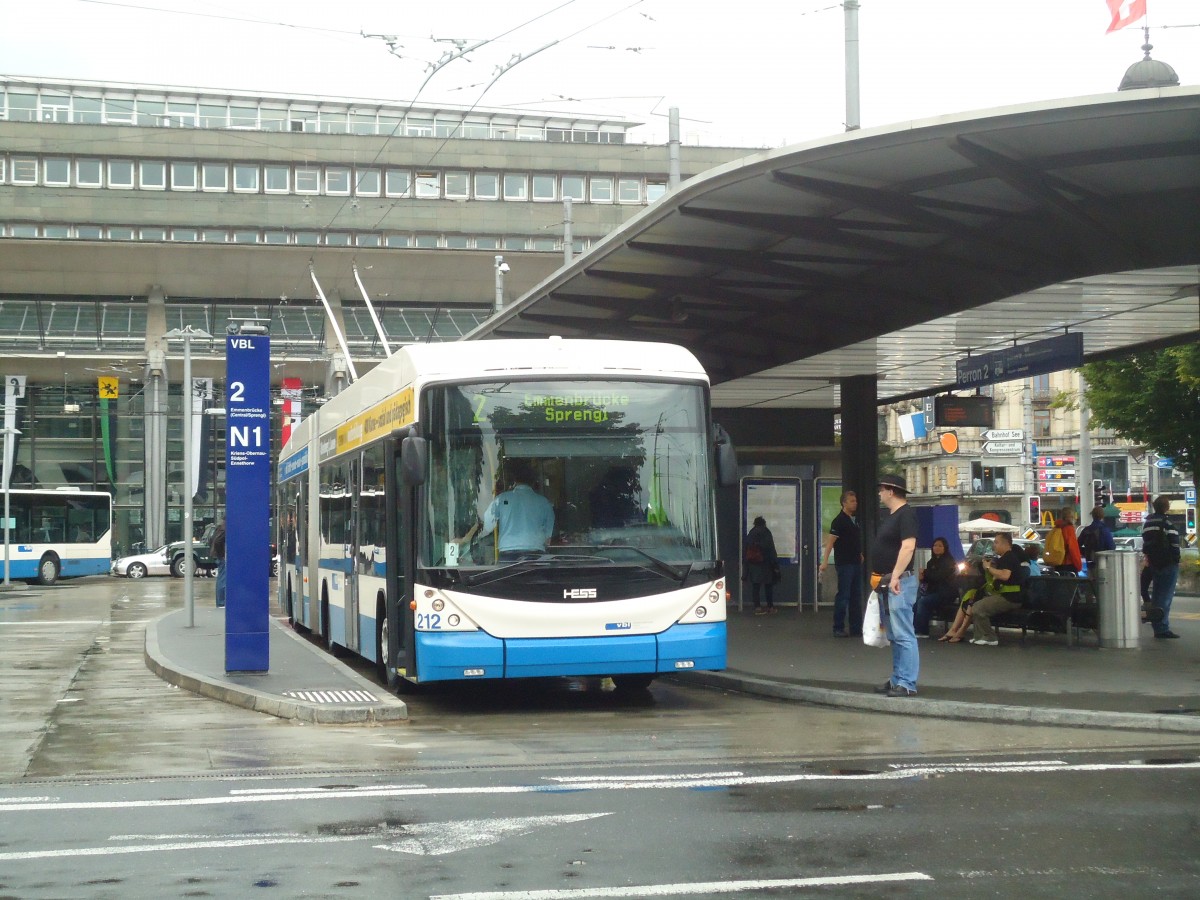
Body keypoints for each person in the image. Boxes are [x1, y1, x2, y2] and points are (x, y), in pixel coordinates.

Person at [870, 473, 919, 698]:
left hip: (899, 581)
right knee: (895, 634)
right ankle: (898, 678)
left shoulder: (905, 514)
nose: (879, 493)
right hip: (889, 581)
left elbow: (908, 547)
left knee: (903, 633)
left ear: (891, 491)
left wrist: (896, 576)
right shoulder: (892, 515)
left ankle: (907, 682)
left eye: (881, 489)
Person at [481, 460, 555, 561]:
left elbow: (488, 526)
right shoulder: (544, 503)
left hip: (508, 553)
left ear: (514, 480)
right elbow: (548, 539)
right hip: (536, 553)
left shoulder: (501, 499)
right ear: (534, 481)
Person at [966, 532, 1030, 646]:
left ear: (1005, 544)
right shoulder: (1004, 558)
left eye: (996, 542)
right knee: (976, 604)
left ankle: (989, 637)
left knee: (979, 608)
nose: (994, 545)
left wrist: (989, 568)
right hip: (1005, 595)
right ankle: (979, 636)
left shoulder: (1010, 558)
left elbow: (1005, 575)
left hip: (1011, 598)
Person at [819, 490, 863, 637]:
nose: (855, 503)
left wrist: (860, 554)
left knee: (856, 596)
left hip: (855, 562)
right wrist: (824, 562)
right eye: (851, 501)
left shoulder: (855, 520)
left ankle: (856, 628)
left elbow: (854, 541)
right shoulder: (838, 521)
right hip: (844, 564)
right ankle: (838, 627)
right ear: (844, 503)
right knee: (843, 595)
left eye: (855, 501)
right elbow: (830, 543)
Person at [1141, 495, 1181, 639]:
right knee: (1165, 596)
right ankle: (1162, 628)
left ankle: (1157, 625)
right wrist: (1176, 559)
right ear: (1166, 507)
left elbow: (1145, 544)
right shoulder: (1167, 523)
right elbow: (1175, 543)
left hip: (1153, 563)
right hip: (1168, 563)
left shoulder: (1148, 523)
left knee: (1157, 596)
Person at [913, 536, 958, 638]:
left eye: (940, 546)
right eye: (935, 545)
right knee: (916, 602)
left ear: (945, 548)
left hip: (945, 593)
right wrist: (922, 577)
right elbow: (929, 579)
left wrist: (925, 573)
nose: (936, 547)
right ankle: (915, 628)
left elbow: (939, 576)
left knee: (923, 602)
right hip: (933, 591)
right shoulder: (931, 562)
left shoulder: (948, 561)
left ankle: (922, 631)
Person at [743, 516, 781, 615]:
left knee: (756, 587)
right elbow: (771, 549)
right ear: (764, 523)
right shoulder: (766, 532)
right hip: (766, 564)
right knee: (768, 586)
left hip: (753, 564)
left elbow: (746, 550)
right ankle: (770, 607)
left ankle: (757, 607)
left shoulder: (751, 533)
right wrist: (775, 564)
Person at [1043, 509, 1082, 575]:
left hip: (1058, 563)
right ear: (1070, 517)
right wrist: (1078, 565)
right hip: (1069, 564)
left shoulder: (1056, 528)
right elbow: (1073, 549)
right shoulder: (1069, 529)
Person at [211, 521, 227, 608]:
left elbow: (212, 540)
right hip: (222, 557)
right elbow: (217, 541)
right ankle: (221, 603)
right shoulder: (225, 527)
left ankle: (220, 602)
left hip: (219, 556)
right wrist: (222, 554)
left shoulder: (221, 526)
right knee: (223, 579)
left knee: (222, 578)